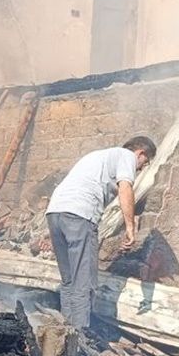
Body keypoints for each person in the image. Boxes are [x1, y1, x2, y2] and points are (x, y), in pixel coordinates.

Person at [44, 136, 156, 330]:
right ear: (140, 153)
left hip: (55, 213)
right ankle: (79, 334)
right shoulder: (126, 156)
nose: (139, 169)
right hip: (79, 214)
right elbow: (125, 188)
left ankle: (63, 332)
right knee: (83, 281)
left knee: (69, 279)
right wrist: (130, 227)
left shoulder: (97, 157)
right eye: (143, 164)